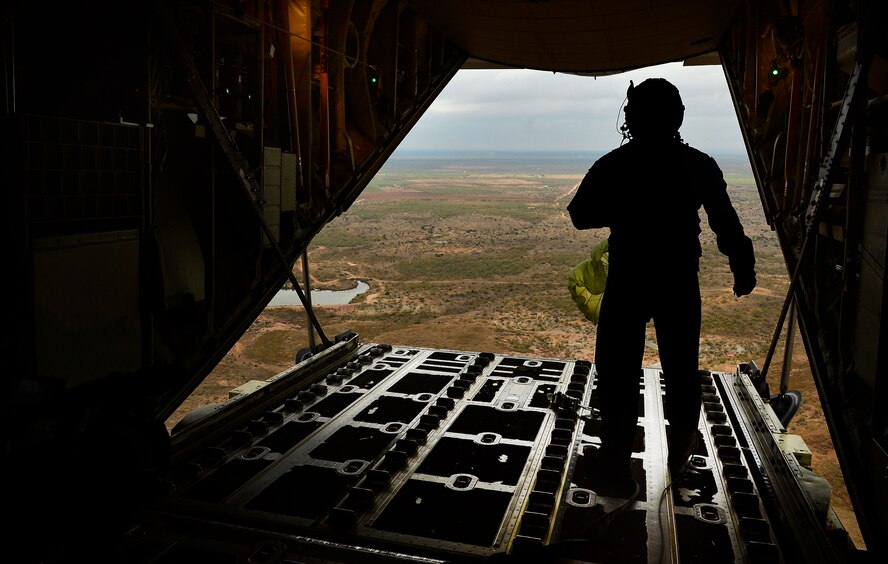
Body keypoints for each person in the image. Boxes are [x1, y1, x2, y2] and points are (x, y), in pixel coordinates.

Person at [567, 78, 756, 484]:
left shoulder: (614, 164)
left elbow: (580, 214)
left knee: (617, 374)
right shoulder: (698, 164)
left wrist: (627, 212)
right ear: (679, 118)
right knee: (682, 370)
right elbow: (726, 223)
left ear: (630, 118)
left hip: (629, 277)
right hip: (678, 280)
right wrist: (743, 267)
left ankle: (615, 463)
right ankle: (680, 462)